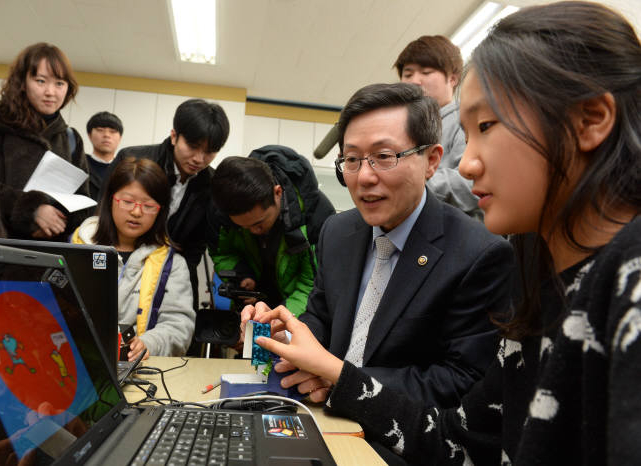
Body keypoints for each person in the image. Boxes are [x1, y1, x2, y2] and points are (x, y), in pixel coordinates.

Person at [250, 2, 641, 463]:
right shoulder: (543, 275)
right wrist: (304, 352)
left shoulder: (624, 281)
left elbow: (454, 394)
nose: (469, 164)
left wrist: (336, 375)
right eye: (352, 160)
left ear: (591, 120)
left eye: (487, 127)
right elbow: (463, 441)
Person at [246, 82, 513, 413]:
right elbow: (321, 319)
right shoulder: (337, 232)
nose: (364, 177)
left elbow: (461, 380)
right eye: (352, 159)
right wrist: (284, 337)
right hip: (322, 416)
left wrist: (343, 379)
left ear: (431, 160)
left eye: (384, 157)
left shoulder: (478, 255)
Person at [0, 42, 90, 241]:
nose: (50, 92)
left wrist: (57, 222)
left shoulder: (70, 138)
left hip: (49, 252)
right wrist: (31, 211)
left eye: (59, 84)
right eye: (40, 81)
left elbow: (83, 201)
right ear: (22, 82)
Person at [72, 157, 195, 360]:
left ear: (161, 211)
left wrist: (149, 343)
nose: (136, 212)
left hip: (138, 368)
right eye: (127, 202)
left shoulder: (171, 264)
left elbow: (179, 325)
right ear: (110, 198)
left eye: (148, 206)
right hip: (79, 361)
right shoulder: (78, 246)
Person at [112, 99, 230, 308]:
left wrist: (174, 274)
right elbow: (103, 214)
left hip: (172, 275)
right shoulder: (132, 160)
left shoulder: (212, 184)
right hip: (120, 264)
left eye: (210, 151)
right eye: (192, 146)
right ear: (174, 136)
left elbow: (197, 245)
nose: (199, 159)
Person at [207, 147, 336, 317]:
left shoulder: (318, 218)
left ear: (277, 192)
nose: (254, 232)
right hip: (252, 309)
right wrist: (242, 275)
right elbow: (223, 254)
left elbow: (312, 286)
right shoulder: (221, 212)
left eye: (259, 223)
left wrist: (277, 321)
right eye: (244, 227)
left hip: (298, 314)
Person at [395, 35, 481, 219]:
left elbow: (473, 182)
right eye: (408, 74)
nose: (415, 81)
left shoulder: (465, 119)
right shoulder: (400, 128)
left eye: (426, 72)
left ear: (452, 79)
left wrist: (409, 182)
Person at [85, 111, 123, 201]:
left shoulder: (125, 169)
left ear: (120, 137)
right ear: (89, 135)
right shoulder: (78, 164)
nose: (106, 135)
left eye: (113, 131)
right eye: (100, 130)